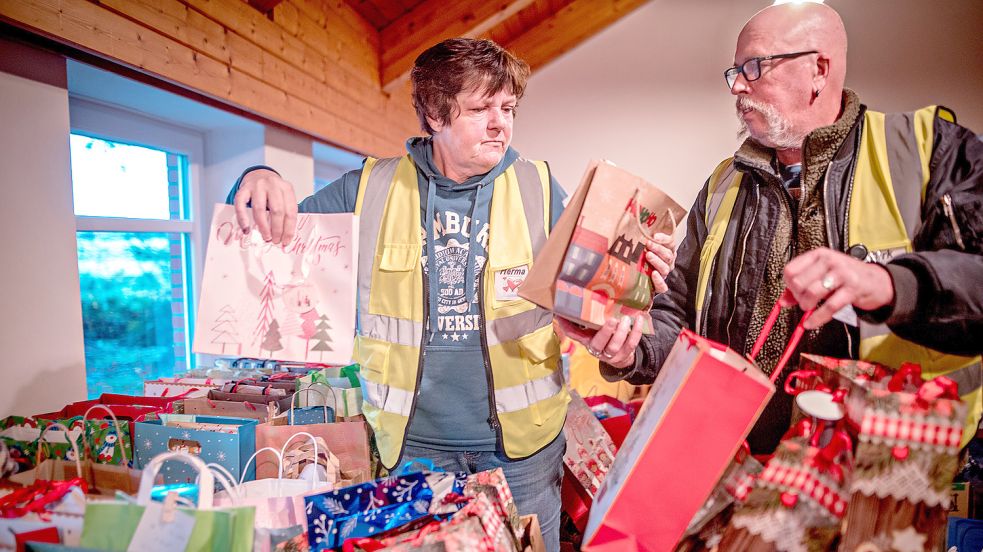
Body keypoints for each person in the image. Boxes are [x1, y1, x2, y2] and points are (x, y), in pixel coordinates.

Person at [229, 37, 676, 550]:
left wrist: (638, 281)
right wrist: (255, 176)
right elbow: (265, 234)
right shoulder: (368, 189)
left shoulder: (540, 187)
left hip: (523, 452)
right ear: (436, 116)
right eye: (481, 108)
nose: (500, 123)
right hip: (413, 448)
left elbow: (594, 303)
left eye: (507, 108)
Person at [559, 2, 983, 454]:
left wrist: (888, 283)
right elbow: (679, 318)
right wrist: (631, 350)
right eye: (735, 71)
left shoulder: (928, 149)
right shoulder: (725, 183)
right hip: (746, 462)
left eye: (755, 66)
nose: (738, 85)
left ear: (819, 69)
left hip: (888, 475)